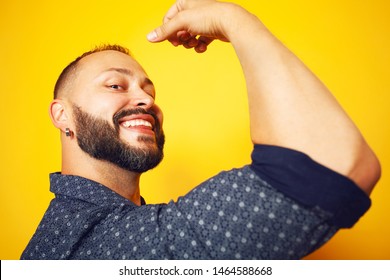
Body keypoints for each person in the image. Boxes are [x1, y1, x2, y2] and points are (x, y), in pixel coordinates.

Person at [21, 0, 380, 260]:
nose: (145, 100)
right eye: (115, 85)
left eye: (148, 89)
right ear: (62, 115)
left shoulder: (126, 226)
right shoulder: (88, 246)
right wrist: (235, 19)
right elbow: (335, 164)